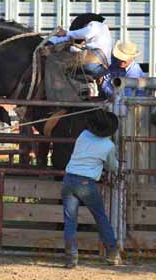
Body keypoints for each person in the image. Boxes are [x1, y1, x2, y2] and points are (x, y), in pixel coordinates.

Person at [62, 110, 121, 268]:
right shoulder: (108, 146)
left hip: (69, 179)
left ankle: (71, 258)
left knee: (70, 221)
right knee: (100, 217)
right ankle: (112, 253)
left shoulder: (83, 135)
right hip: (86, 183)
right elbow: (112, 167)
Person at [45, 14, 113, 101]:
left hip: (93, 61)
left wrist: (66, 33)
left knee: (53, 61)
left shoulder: (95, 25)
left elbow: (86, 33)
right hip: (102, 66)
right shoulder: (103, 32)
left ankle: (59, 93)